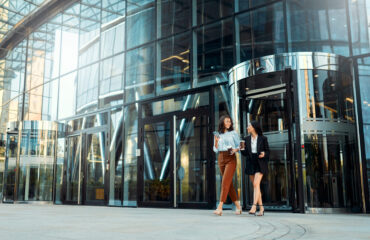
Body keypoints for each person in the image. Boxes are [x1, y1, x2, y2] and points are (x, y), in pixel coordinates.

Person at [213, 115, 242, 216]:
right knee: (229, 185)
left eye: (230, 121)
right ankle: (238, 207)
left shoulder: (233, 133)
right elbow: (215, 149)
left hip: (231, 158)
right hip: (221, 157)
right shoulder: (218, 135)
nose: (229, 123)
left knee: (224, 182)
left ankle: (220, 207)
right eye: (227, 121)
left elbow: (241, 145)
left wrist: (235, 150)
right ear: (222, 122)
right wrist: (216, 141)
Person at [241, 120, 269, 216]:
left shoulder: (263, 138)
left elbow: (268, 151)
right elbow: (244, 154)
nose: (247, 128)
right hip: (250, 162)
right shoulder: (245, 139)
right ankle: (261, 208)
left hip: (260, 162)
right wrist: (242, 147)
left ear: (254, 127)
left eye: (249, 126)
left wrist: (264, 153)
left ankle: (254, 206)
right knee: (256, 186)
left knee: (256, 183)